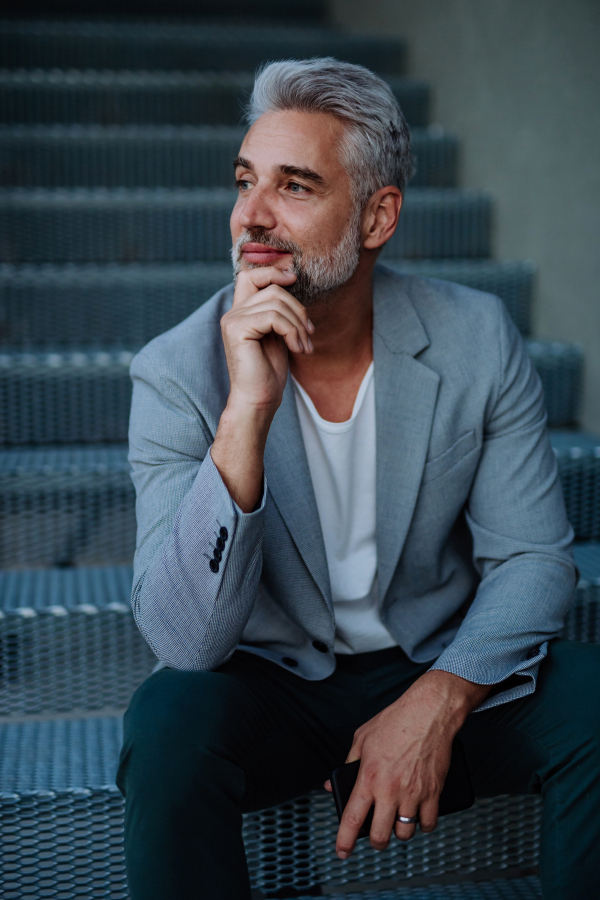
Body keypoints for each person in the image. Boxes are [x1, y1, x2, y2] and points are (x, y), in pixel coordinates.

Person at [117, 58, 599, 900]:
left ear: (377, 216)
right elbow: (187, 644)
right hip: (268, 687)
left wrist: (440, 700)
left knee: (595, 698)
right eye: (244, 182)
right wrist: (245, 417)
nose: (251, 219)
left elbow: (533, 561)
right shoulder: (175, 372)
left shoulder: (474, 337)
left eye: (294, 187)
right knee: (165, 729)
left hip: (434, 658)